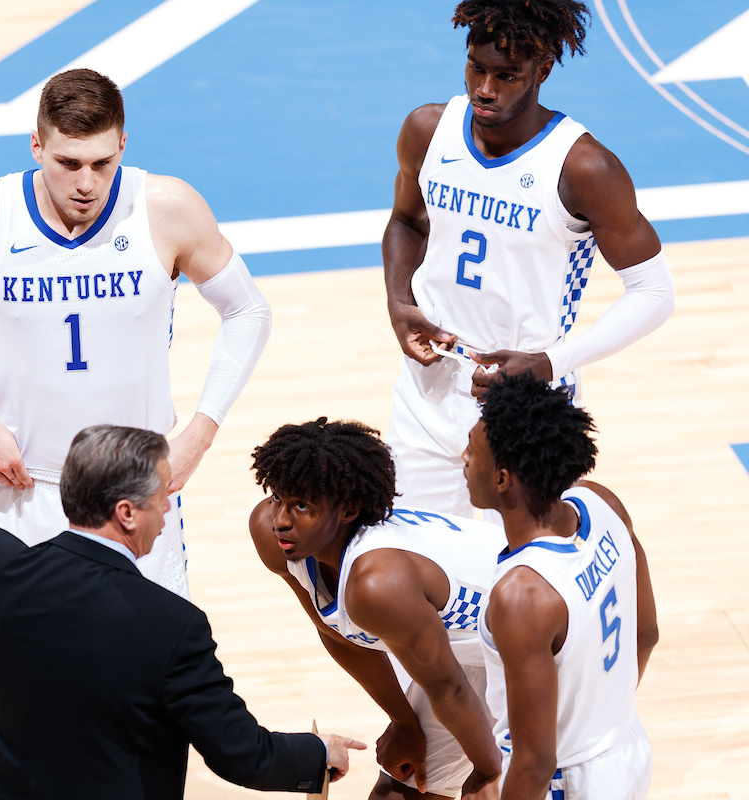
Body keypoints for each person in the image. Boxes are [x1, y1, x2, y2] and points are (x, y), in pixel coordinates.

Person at [0, 68, 272, 794]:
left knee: (151, 678)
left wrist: (201, 428)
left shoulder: (166, 207)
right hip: (20, 487)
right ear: (35, 145)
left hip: (133, 507)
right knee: (3, 683)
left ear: (124, 145)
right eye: (67, 162)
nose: (86, 182)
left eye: (103, 162)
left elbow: (248, 312)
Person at [0, 425, 364, 798]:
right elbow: (240, 753)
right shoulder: (172, 626)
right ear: (126, 512)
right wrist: (320, 754)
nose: (168, 509)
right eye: (161, 496)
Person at [383, 0, 675, 516]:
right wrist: (399, 304)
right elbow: (408, 222)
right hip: (427, 393)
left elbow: (654, 293)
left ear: (542, 71)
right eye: (476, 67)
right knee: (411, 566)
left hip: (525, 405)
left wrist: (549, 363)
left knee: (515, 585)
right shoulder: (428, 130)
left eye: (506, 75)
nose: (484, 89)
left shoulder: (584, 168)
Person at [248, 418, 506, 800]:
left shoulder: (377, 583)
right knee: (397, 794)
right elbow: (334, 631)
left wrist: (487, 772)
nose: (281, 521)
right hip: (458, 650)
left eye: (301, 506)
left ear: (349, 509)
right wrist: (404, 723)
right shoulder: (275, 535)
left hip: (530, 637)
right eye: (278, 499)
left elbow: (448, 687)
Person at [463, 371, 658, 799]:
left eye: (472, 451)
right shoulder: (601, 501)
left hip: (568, 782)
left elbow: (534, 764)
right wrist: (601, 716)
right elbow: (646, 635)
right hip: (625, 744)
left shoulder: (523, 595)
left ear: (502, 478)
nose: (463, 457)